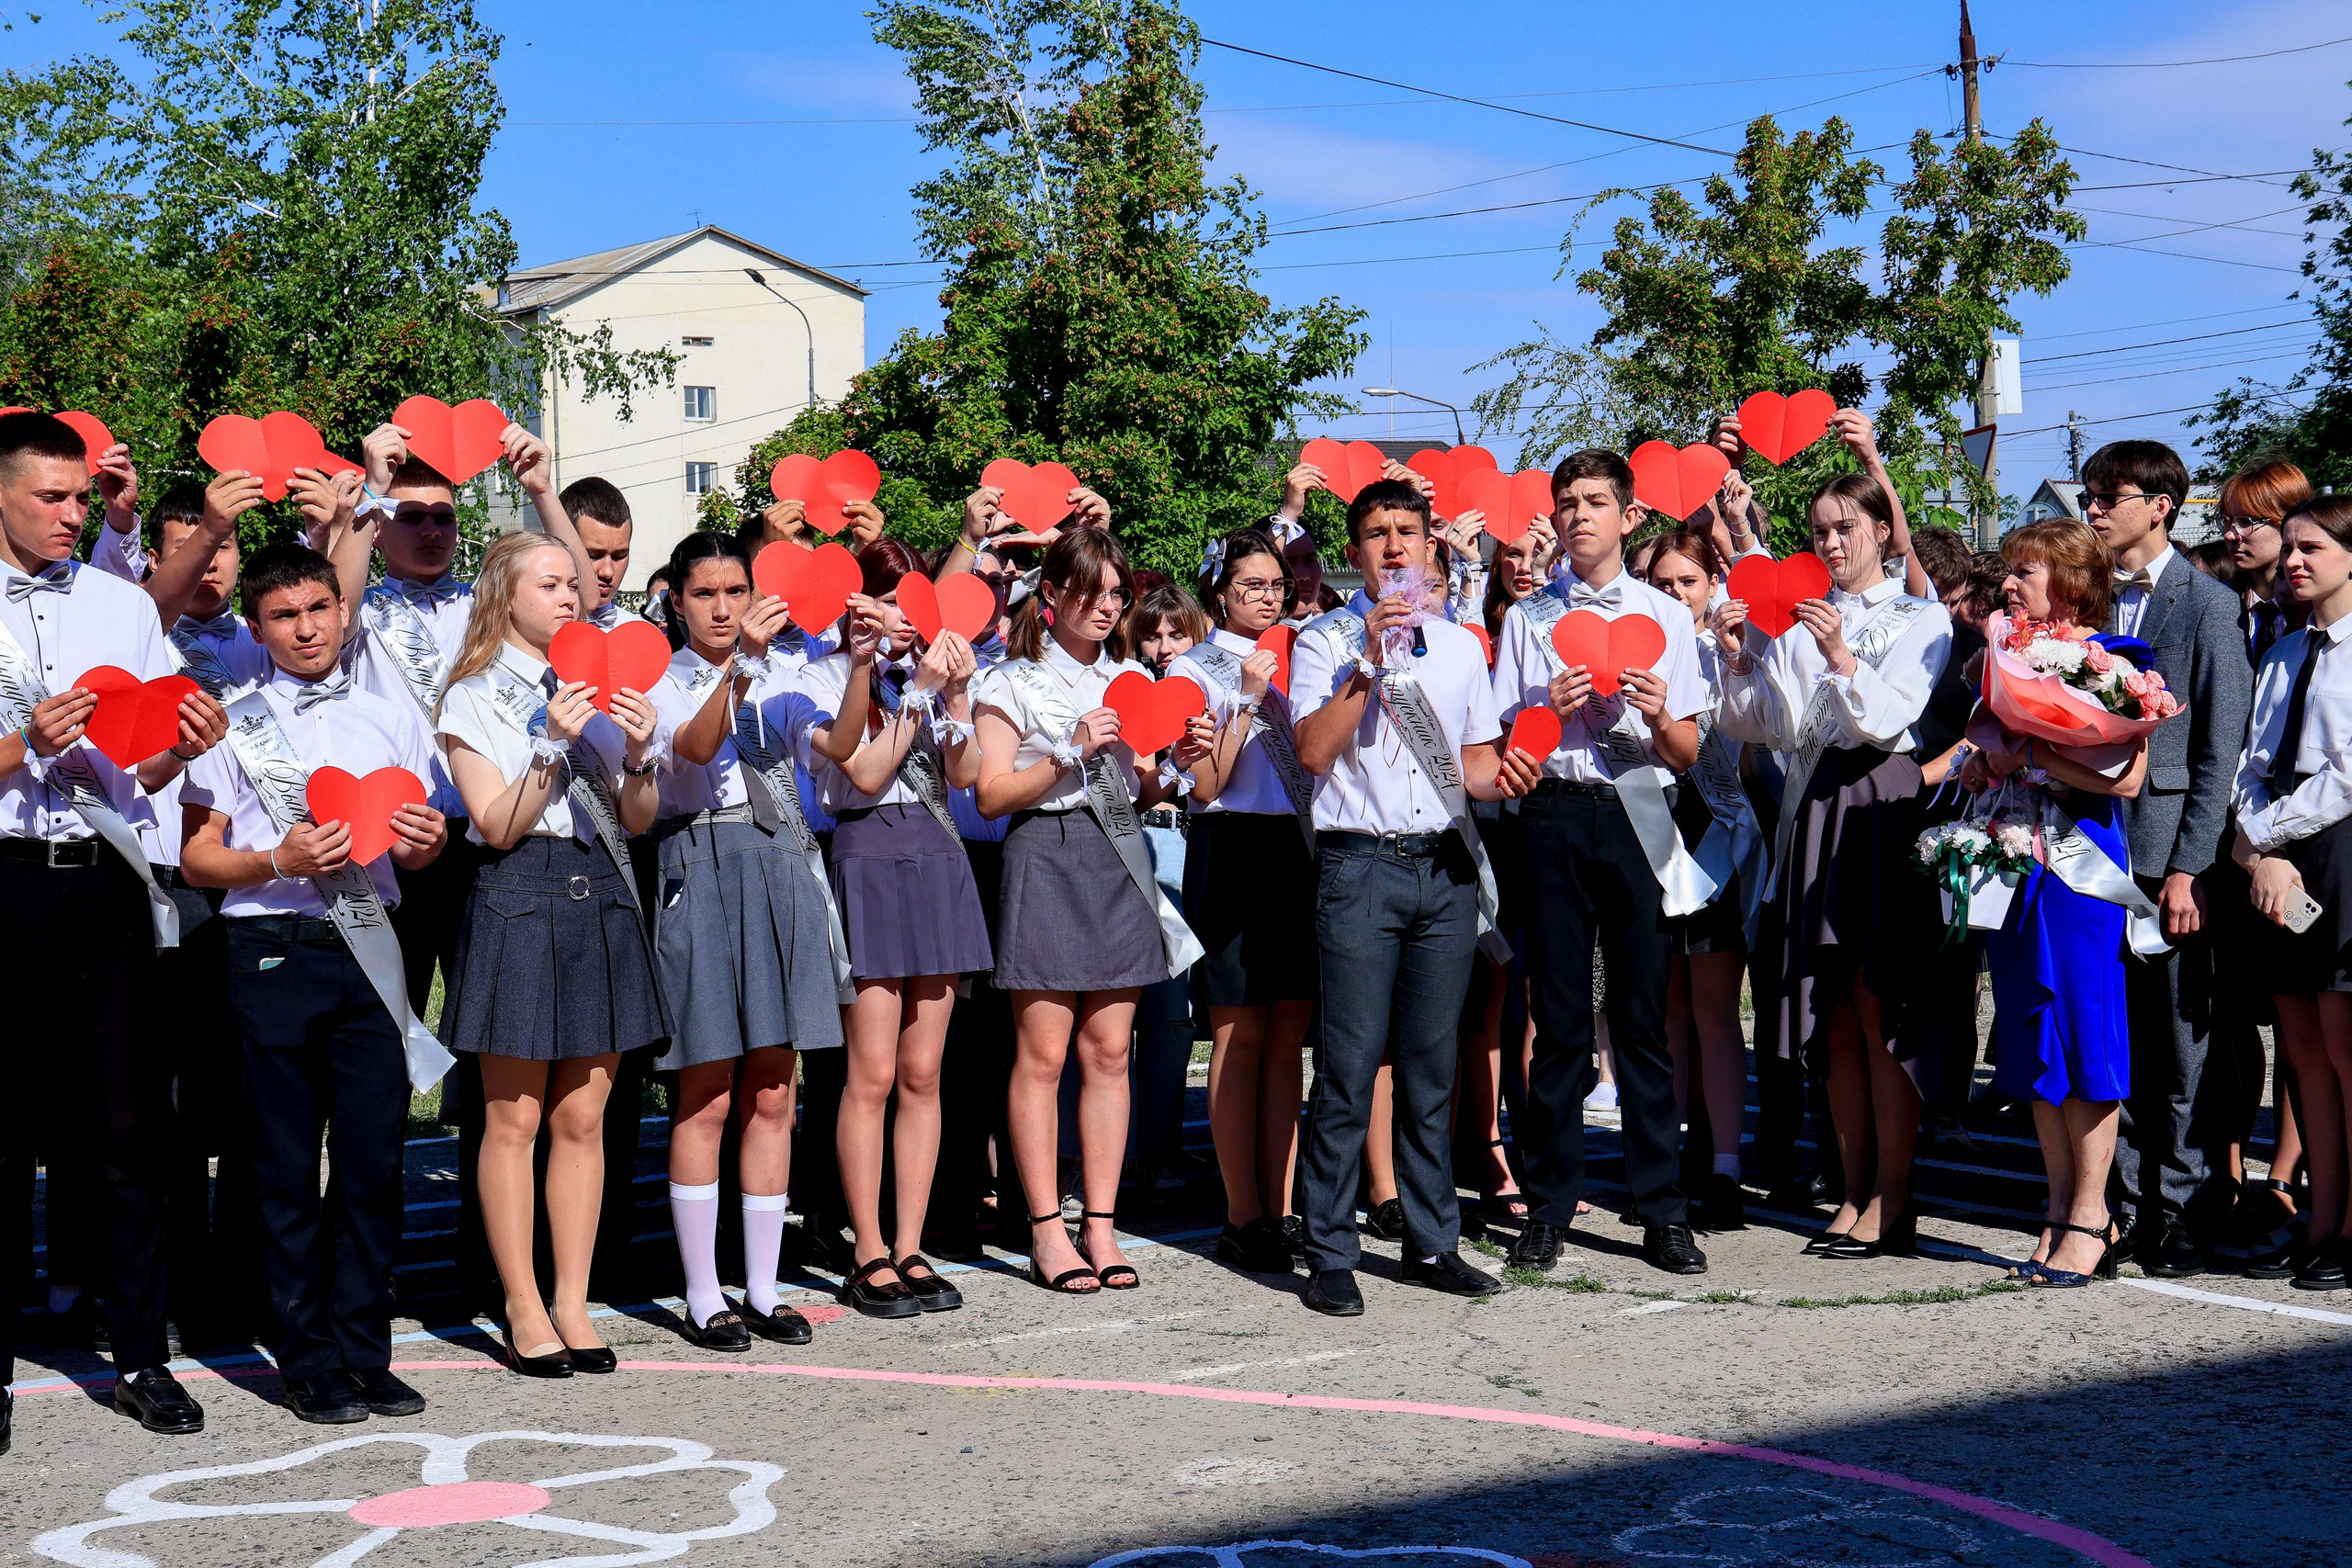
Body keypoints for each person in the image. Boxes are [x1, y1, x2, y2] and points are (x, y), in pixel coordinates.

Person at [328, 416, 601, 1314]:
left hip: (488, 849)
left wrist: (538, 491)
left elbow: (582, 601)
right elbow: (332, 590)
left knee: (500, 1076)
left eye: (444, 516)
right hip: (387, 851)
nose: (431, 529)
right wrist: (370, 484)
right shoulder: (362, 599)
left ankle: (497, 1272)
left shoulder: (486, 605)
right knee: (379, 1071)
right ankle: (367, 1274)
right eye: (411, 513)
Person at [0, 411, 231, 1448]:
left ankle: (141, 1354)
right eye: (49, 496)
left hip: (105, 881)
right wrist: (20, 748)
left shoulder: (122, 607)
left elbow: (140, 772)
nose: (69, 514)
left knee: (130, 1127)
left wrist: (185, 751)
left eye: (79, 498)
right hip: (4, 878)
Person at [179, 541, 450, 1421]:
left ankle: (365, 1346)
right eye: (285, 615)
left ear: (343, 610)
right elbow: (198, 856)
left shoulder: (392, 713)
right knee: (286, 1166)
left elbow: (426, 834)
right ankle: (305, 1356)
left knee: (374, 1161)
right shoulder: (235, 719)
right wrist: (276, 857)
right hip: (273, 952)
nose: (306, 627)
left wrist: (425, 842)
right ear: (257, 627)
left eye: (319, 609)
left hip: (371, 944)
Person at [1289, 477, 1535, 1315]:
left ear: (1433, 542)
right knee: (1350, 1066)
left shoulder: (1464, 646)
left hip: (1445, 869)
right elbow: (1315, 752)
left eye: (1408, 530)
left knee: (1433, 1067)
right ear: (1354, 550)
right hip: (1359, 866)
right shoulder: (1322, 638)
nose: (1395, 546)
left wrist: (1508, 778)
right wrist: (1365, 658)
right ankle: (1328, 1247)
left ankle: (1433, 1242)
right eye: (1376, 533)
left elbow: (1471, 766)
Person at [435, 532, 668, 1375]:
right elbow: (496, 825)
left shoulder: (598, 685)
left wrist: (639, 754)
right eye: (552, 582)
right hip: (519, 894)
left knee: (582, 1116)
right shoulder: (471, 694)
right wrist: (548, 741)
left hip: (598, 891)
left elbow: (638, 816)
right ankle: (522, 1300)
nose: (572, 595)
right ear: (505, 594)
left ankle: (573, 1298)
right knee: (516, 1117)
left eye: (576, 583)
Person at [1717, 467, 1953, 1260]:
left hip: (1880, 804)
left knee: (1877, 1005)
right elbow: (1772, 728)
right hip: (1817, 803)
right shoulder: (1798, 619)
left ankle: (1896, 1195)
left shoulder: (1922, 618)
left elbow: (1892, 721)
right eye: (1820, 529)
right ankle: (1851, 1190)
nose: (1830, 542)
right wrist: (1743, 662)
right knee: (1835, 1016)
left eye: (1845, 527)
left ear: (1884, 532)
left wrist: (1842, 656)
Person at [1491, 453, 1711, 1279]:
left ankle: (1661, 1210)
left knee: (1642, 1015)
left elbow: (1687, 753)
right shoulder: (1528, 619)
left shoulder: (1667, 615)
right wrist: (1546, 710)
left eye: (1595, 502)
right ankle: (1548, 1206)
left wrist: (1658, 714)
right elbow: (1509, 745)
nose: (1579, 515)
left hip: (1638, 810)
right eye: (1567, 502)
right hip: (1552, 812)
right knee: (1558, 1020)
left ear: (1629, 516)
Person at [973, 527, 1201, 1295]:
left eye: (1115, 594)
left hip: (1117, 854)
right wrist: (1067, 750)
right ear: (1053, 595)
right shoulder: (1011, 681)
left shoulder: (1130, 677)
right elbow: (991, 793)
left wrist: (1174, 762)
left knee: (1109, 1051)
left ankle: (1100, 1224)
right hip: (1044, 852)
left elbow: (1141, 790)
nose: (1105, 607)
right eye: (1090, 591)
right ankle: (1044, 1228)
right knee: (1042, 1057)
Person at [645, 532, 847, 1347]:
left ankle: (763, 1287)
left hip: (778, 863)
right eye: (706, 593)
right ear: (676, 600)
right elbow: (692, 750)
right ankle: (703, 1293)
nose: (724, 607)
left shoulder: (785, 672)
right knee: (708, 1089)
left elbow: (843, 751)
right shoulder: (660, 678)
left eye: (737, 590)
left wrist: (862, 662)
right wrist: (741, 667)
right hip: (698, 854)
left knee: (774, 1084)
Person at [799, 539, 990, 1318]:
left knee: (923, 1073)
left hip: (936, 855)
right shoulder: (822, 672)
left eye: (913, 605)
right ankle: (867, 1246)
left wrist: (955, 699)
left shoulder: (932, 673)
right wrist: (914, 691)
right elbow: (865, 774)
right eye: (889, 602)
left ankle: (911, 1243)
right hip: (868, 856)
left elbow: (972, 775)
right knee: (869, 1073)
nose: (904, 620)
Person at [2081, 439, 2253, 1276]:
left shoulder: (2210, 605)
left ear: (2161, 505)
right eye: (2088, 496)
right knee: (2109, 1033)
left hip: (2167, 858)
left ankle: (2176, 1205)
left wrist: (2190, 867)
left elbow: (2220, 751)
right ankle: (2107, 1205)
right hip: (2089, 848)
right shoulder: (2084, 601)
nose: (2093, 511)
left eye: (2109, 496)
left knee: (2178, 1041)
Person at [1970, 522, 2151, 1287]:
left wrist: (2037, 753)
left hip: (2080, 871)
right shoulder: (2007, 658)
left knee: (2086, 1034)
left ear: (2073, 580)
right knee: (2035, 1040)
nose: (2010, 584)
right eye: (2008, 571)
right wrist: (1989, 764)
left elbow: (2128, 778)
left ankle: (2091, 1213)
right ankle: (2055, 1209)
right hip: (2019, 862)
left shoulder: (2117, 661)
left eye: (2026, 571)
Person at [1173, 529, 1318, 1274]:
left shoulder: (1310, 649)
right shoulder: (1194, 666)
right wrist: (1247, 699)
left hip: (1295, 850)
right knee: (1237, 1034)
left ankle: (1284, 1204)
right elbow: (1202, 785)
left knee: (1287, 1034)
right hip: (1229, 846)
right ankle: (1242, 1213)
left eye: (1275, 584)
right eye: (1251, 584)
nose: (1268, 596)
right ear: (1219, 590)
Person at [2234, 493, 2352, 1290]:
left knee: (2345, 1045)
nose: (2294, 560)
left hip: (2340, 846)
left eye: (2312, 547)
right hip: (2279, 852)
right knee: (2302, 1044)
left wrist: (2270, 835)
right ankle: (2324, 1214)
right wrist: (2257, 844)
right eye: (2291, 549)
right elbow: (2252, 764)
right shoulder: (2280, 653)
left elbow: (2347, 775)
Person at [1643, 527, 1762, 1231]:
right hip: (1650, 828)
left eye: (1688, 581)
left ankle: (1724, 1165)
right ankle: (1668, 1157)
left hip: (1718, 832)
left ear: (1713, 583)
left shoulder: (1731, 652)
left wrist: (1733, 659)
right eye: (1662, 584)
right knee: (1664, 1011)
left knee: (1714, 1009)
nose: (1676, 595)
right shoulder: (1633, 651)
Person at [1126, 581, 1206, 1193]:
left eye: (1175, 633)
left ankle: (1164, 1144)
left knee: (1176, 1015)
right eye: (1151, 634)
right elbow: (1146, 785)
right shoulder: (1124, 693)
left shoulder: (1210, 691)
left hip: (1196, 849)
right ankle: (1123, 1153)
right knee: (1142, 1010)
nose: (1162, 646)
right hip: (1143, 850)